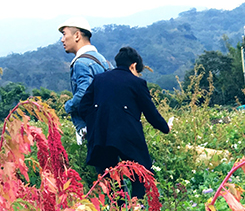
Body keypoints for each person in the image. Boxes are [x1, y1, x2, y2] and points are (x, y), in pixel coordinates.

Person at [80, 47, 170, 200]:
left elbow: (83, 107)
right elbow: (151, 113)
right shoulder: (137, 82)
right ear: (133, 66)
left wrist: (97, 121)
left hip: (101, 136)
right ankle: (137, 210)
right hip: (127, 135)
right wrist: (165, 128)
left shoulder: (99, 79)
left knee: (111, 180)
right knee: (141, 173)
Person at [59, 17, 109, 144]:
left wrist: (68, 106)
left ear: (77, 35)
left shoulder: (81, 63)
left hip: (95, 130)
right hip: (109, 126)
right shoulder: (102, 60)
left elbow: (83, 94)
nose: (62, 39)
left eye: (64, 34)